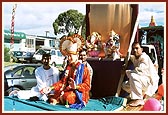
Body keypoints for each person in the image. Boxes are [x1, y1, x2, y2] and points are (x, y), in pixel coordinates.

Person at [43, 34, 91, 109]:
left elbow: (87, 86)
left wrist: (76, 86)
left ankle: (59, 100)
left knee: (68, 97)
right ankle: (59, 99)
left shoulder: (84, 69)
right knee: (54, 94)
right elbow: (62, 82)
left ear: (77, 55)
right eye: (67, 56)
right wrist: (51, 87)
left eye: (70, 56)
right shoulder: (68, 67)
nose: (68, 58)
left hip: (78, 93)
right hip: (67, 90)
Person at [121, 42, 159, 107]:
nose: (135, 50)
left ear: (141, 49)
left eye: (137, 48)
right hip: (143, 81)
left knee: (133, 76)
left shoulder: (144, 57)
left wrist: (126, 71)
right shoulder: (135, 58)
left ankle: (139, 99)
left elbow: (140, 71)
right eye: (133, 49)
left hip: (149, 82)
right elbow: (129, 57)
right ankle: (142, 94)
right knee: (124, 85)